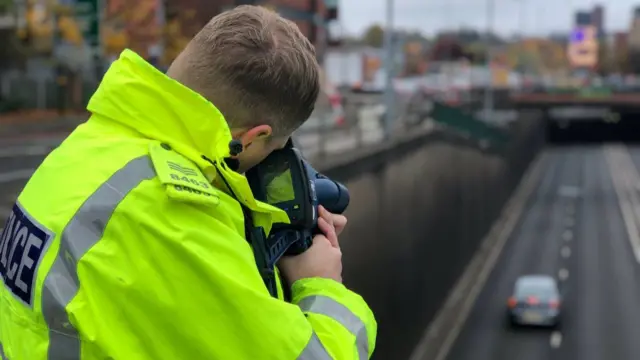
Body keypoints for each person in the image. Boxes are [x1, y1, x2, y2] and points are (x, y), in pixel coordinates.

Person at [0, 5, 376, 360]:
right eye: (274, 149)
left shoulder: (91, 145)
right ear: (251, 137)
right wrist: (320, 283)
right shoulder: (173, 216)